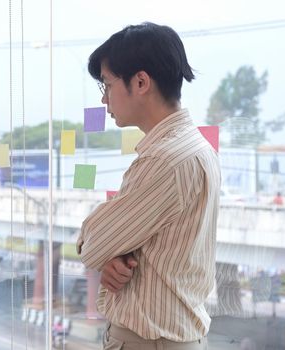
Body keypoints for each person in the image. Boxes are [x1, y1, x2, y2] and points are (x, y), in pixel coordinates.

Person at [76, 22, 220, 349]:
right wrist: (116, 255)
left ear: (140, 82)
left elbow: (93, 244)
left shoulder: (165, 161)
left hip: (149, 341)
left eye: (107, 84)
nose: (103, 98)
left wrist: (102, 247)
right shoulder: (196, 147)